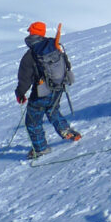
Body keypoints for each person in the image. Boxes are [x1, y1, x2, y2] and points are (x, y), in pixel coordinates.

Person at [15, 21, 81, 158]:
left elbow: (24, 78)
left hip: (41, 92)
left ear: (32, 34)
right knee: (52, 110)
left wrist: (20, 93)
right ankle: (66, 130)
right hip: (58, 88)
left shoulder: (31, 54)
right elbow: (67, 64)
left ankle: (40, 149)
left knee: (32, 121)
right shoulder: (54, 46)